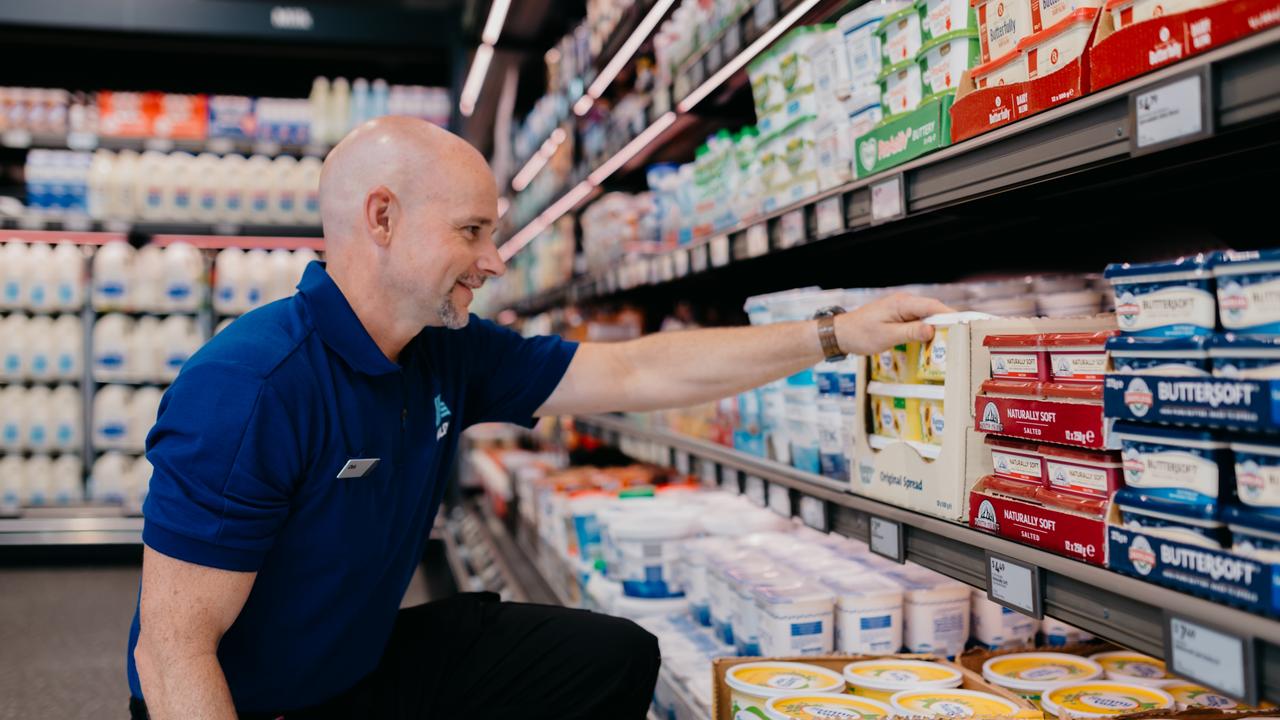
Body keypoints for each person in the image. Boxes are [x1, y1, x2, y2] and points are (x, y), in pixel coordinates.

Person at [127, 116, 950, 720]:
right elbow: (171, 652)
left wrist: (834, 335)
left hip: (354, 669)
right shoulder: (251, 386)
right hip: (240, 704)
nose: (494, 260)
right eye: (473, 231)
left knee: (610, 657)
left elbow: (630, 367)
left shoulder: (444, 348)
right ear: (382, 219)